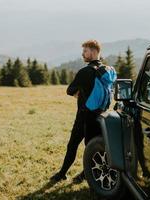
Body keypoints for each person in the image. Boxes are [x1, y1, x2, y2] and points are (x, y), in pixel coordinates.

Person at [50, 40, 104, 183]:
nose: (83, 54)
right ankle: (85, 174)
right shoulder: (106, 70)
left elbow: (69, 90)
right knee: (92, 147)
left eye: (85, 51)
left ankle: (62, 174)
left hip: (84, 116)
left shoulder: (85, 71)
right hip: (100, 115)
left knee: (73, 145)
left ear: (93, 52)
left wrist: (78, 92)